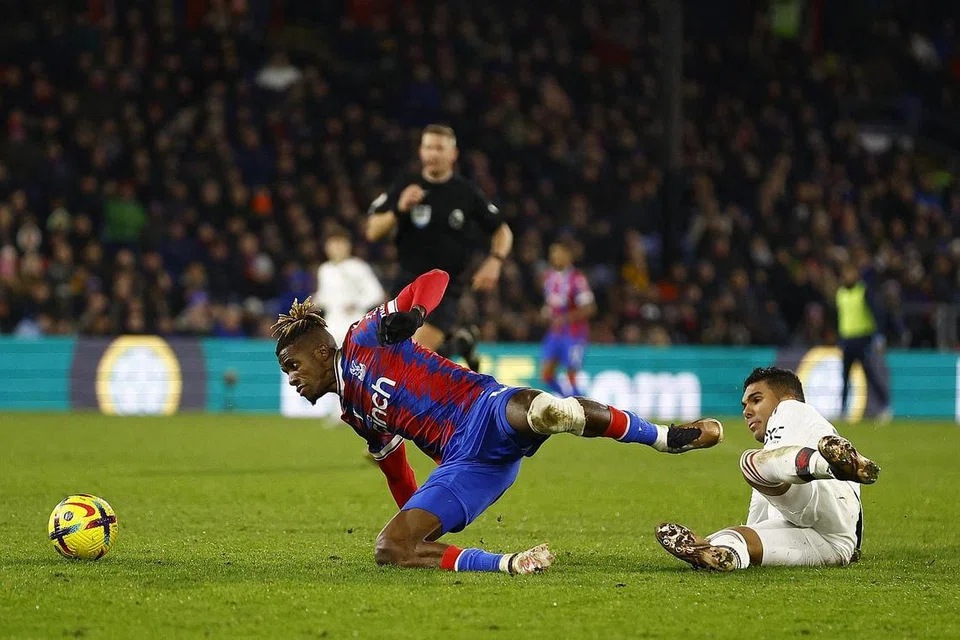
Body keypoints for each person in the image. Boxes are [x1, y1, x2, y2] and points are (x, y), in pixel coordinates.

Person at [273, 269, 724, 575]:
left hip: (484, 407)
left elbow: (436, 278)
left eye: (292, 366)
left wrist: (414, 316)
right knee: (390, 549)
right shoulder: (355, 413)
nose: (292, 379)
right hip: (466, 466)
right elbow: (398, 471)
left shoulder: (363, 337)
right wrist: (419, 520)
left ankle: (667, 438)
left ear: (320, 351)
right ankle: (509, 563)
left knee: (547, 410)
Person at [655, 367, 881, 571]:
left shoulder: (791, 409)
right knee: (739, 536)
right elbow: (758, 525)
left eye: (756, 399)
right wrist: (730, 542)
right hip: (833, 546)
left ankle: (830, 466)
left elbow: (765, 465)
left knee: (751, 463)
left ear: (786, 397)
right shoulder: (772, 460)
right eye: (744, 406)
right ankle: (719, 554)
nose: (747, 411)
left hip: (828, 503)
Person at [365, 124, 512, 372]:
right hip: (406, 283)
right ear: (421, 151)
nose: (433, 153)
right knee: (398, 356)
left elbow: (502, 231)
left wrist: (495, 261)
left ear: (452, 154)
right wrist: (399, 209)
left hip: (444, 287)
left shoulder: (465, 192)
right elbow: (372, 231)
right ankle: (458, 342)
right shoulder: (405, 186)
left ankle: (455, 342)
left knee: (409, 358)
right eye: (428, 147)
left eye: (439, 148)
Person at [835, 261, 892, 421]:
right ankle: (843, 411)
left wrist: (878, 336)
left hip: (863, 339)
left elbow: (877, 313)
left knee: (870, 375)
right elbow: (839, 317)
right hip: (847, 340)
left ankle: (885, 407)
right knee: (845, 377)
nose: (847, 276)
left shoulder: (864, 291)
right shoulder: (840, 293)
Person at [540, 240, 596, 397]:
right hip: (554, 333)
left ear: (568, 256)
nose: (554, 256)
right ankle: (567, 402)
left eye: (558, 253)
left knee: (571, 379)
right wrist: (545, 312)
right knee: (546, 375)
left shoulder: (577, 279)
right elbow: (551, 304)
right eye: (552, 253)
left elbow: (590, 308)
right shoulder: (548, 278)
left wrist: (566, 318)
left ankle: (583, 409)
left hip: (574, 334)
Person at [314, 228, 385, 346]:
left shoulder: (359, 267)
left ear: (349, 245)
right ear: (327, 247)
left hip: (355, 324)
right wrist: (314, 302)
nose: (337, 248)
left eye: (341, 243)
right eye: (333, 244)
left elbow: (377, 294)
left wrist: (357, 303)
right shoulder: (324, 270)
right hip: (332, 326)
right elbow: (324, 296)